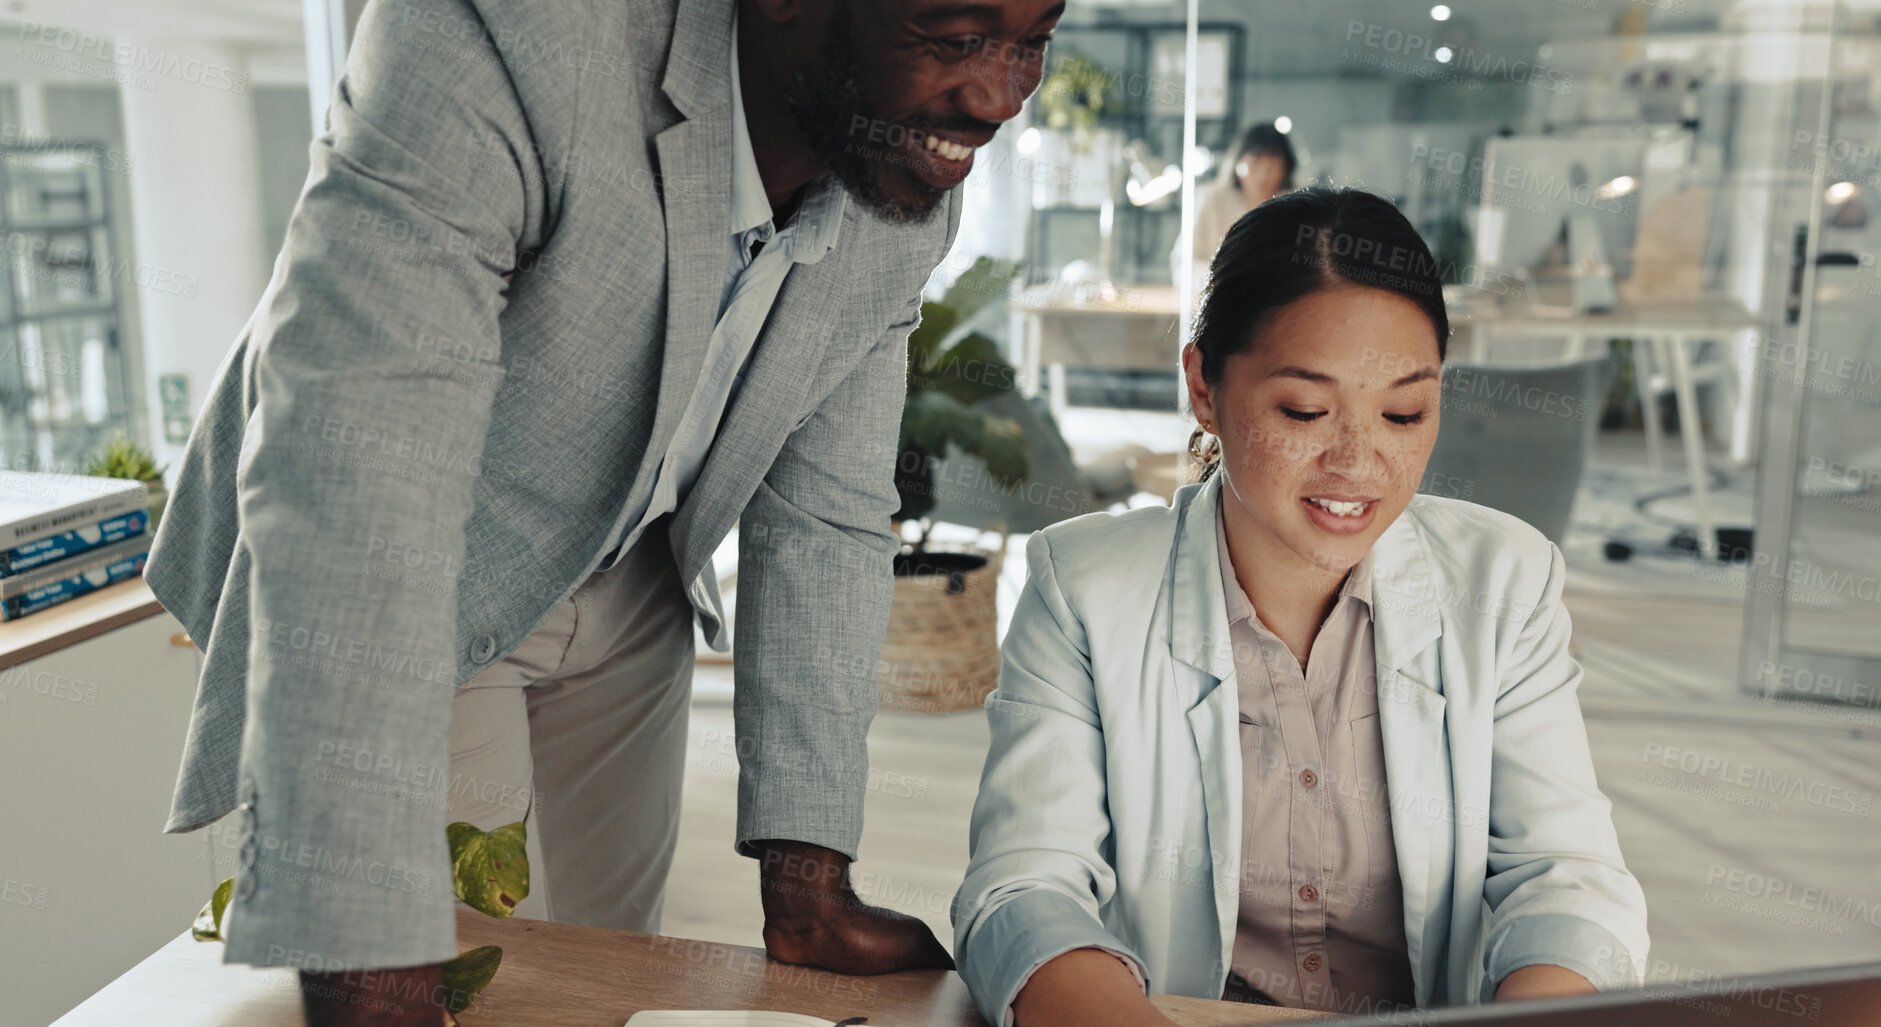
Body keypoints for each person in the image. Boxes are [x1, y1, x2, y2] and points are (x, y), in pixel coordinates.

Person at [143, 0, 1064, 1023]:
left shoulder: (897, 183)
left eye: (1033, 40)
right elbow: (362, 467)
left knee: (602, 978)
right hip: (426, 558)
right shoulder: (507, 37)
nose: (996, 97)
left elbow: (826, 514)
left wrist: (810, 878)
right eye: (954, 37)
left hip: (638, 555)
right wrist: (361, 944)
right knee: (457, 984)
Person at [952, 186, 1649, 1027]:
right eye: (1304, 410)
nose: (1358, 461)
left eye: (1403, 411)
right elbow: (1023, 888)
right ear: (1203, 385)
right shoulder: (1084, 587)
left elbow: (1566, 878)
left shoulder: (1503, 581)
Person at [1175, 121, 1298, 290]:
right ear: (1237, 163)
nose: (1262, 175)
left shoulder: (1294, 207)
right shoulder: (1212, 200)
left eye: (1272, 166)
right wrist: (1220, 279)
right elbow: (1184, 263)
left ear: (1285, 169)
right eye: (1254, 164)